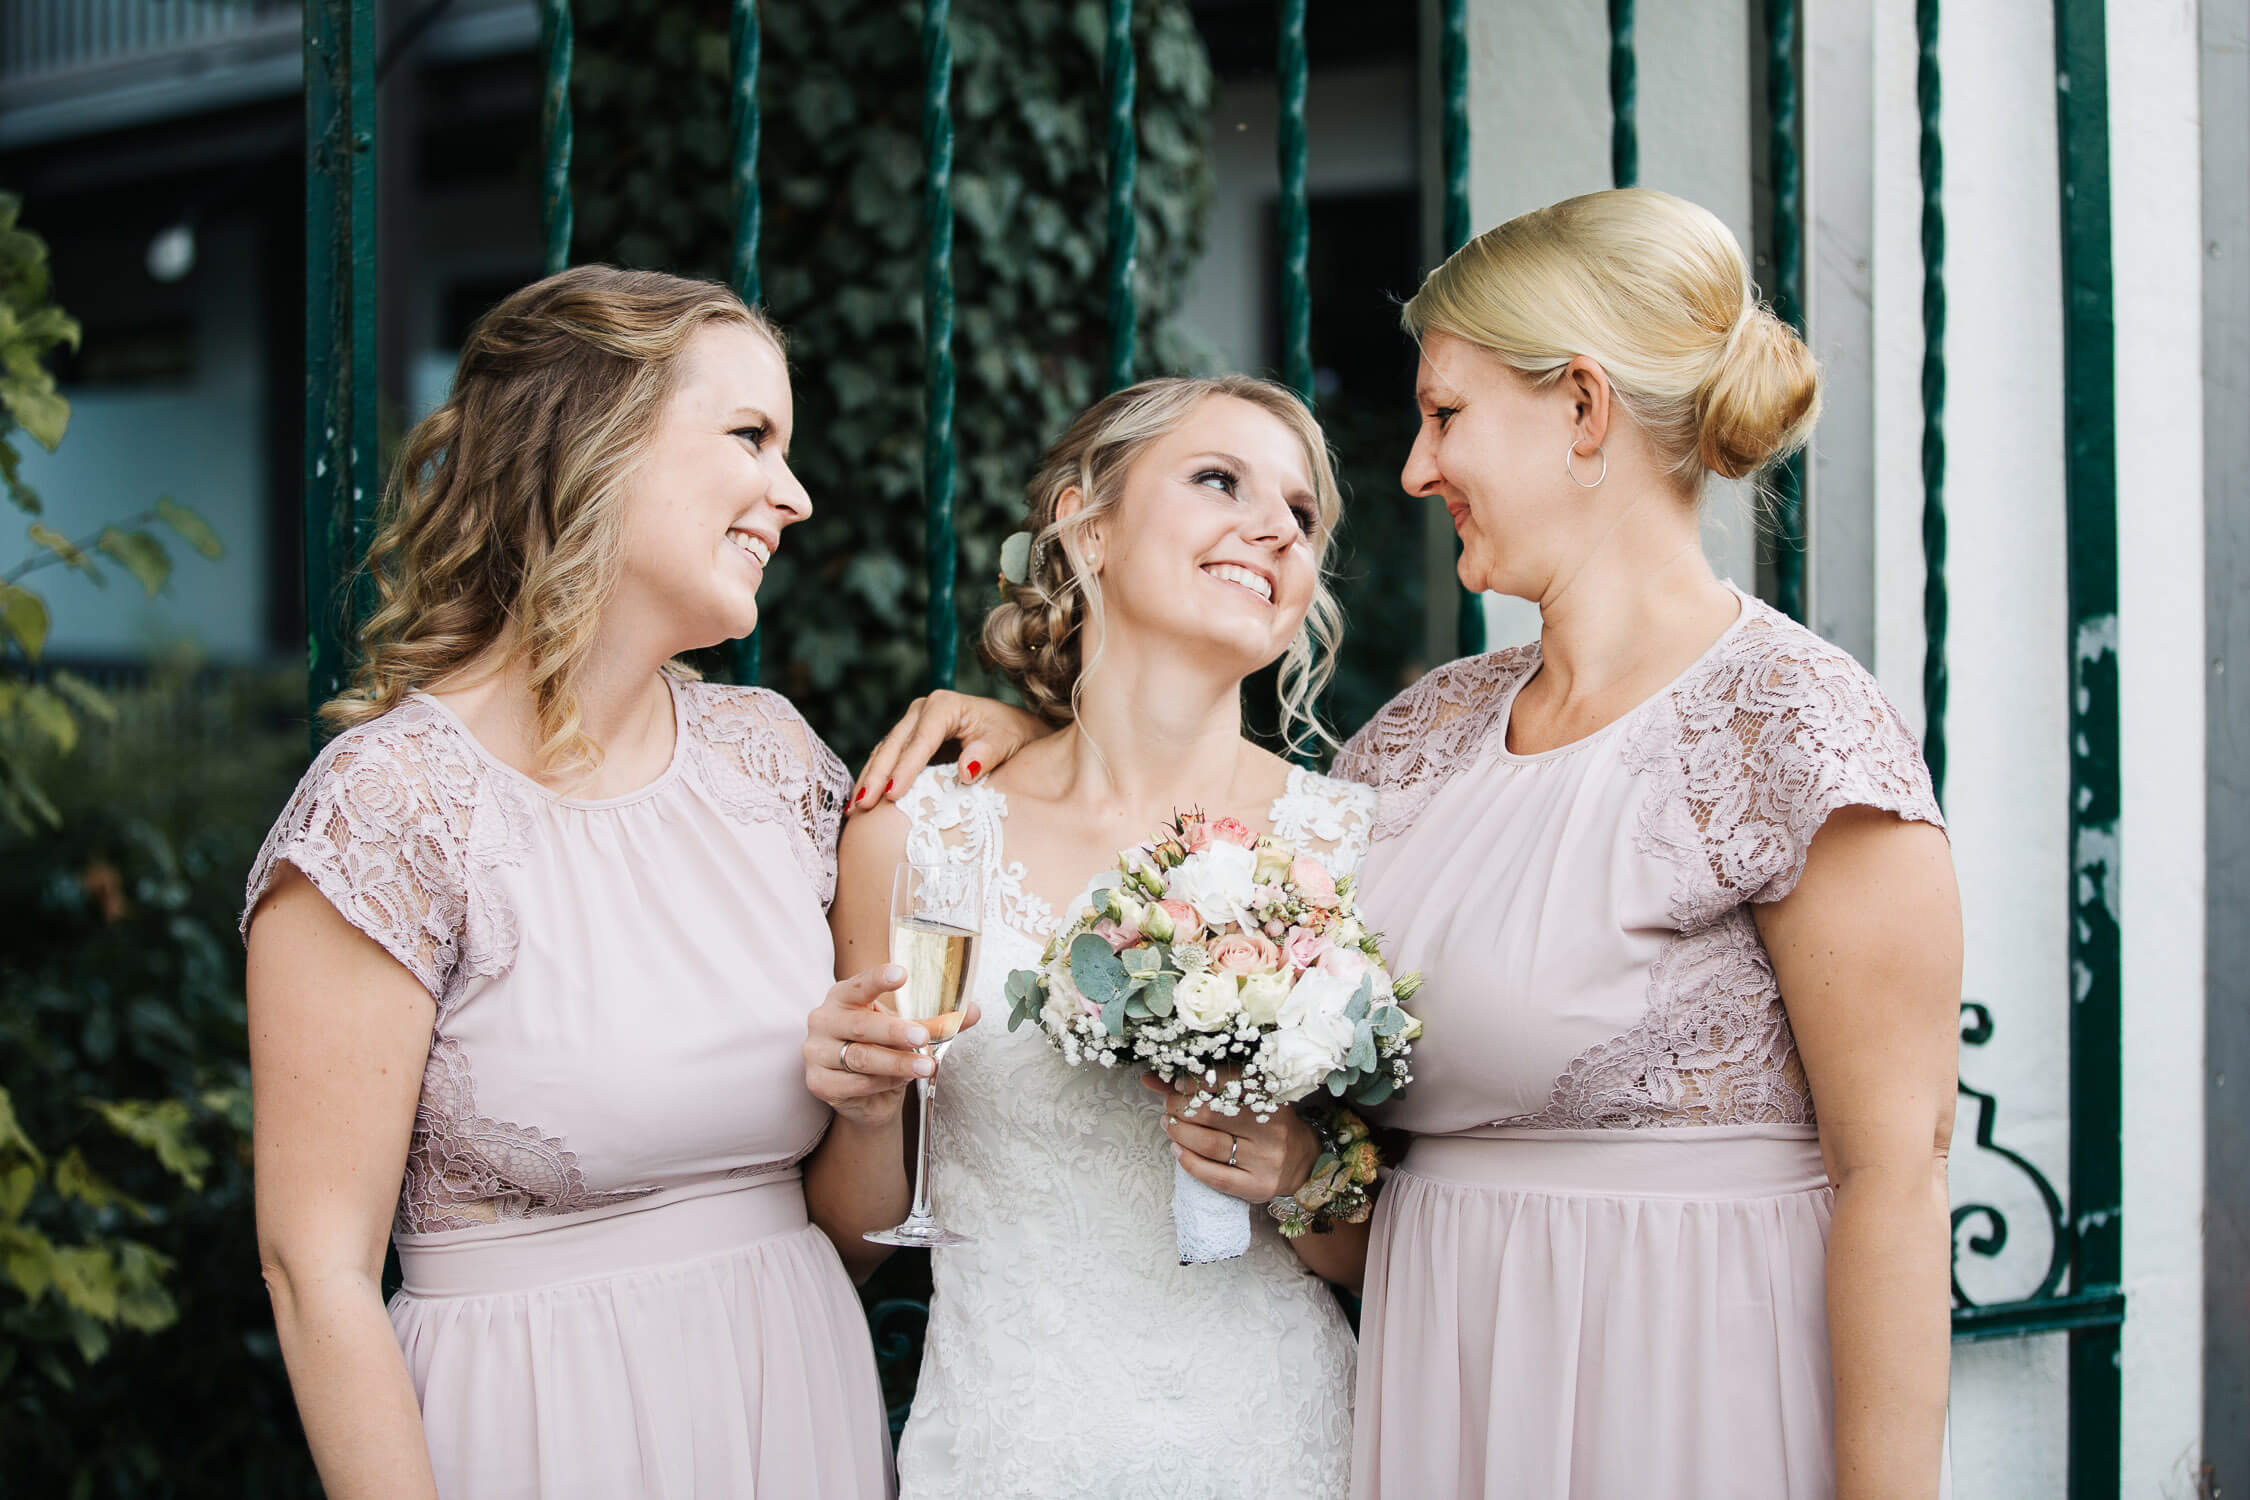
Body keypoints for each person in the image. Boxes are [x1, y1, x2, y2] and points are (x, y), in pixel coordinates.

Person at [852, 189, 1959, 1500]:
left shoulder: (1791, 722)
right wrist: (1025, 717)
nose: (1413, 471)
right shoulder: (1418, 743)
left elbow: (1896, 1169)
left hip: (1673, 1377)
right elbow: (1326, 1099)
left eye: (1443, 416)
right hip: (1438, 1390)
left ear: (1583, 410)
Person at [244, 266, 894, 1500]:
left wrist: (868, 1100)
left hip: (794, 1398)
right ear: (592, 440)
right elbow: (312, 1270)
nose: (794, 496)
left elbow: (857, 1231)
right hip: (542, 1427)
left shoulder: (775, 762)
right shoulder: (392, 804)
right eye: (751, 436)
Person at [802, 376, 1370, 1499]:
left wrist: (1301, 1172)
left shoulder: (1351, 844)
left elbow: (1383, 1254)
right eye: (1220, 480)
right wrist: (866, 1111)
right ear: (1084, 523)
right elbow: (857, 1242)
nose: (1274, 529)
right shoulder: (917, 839)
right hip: (1008, 1446)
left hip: (1281, 1447)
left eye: (1302, 517)